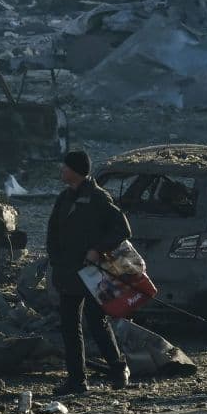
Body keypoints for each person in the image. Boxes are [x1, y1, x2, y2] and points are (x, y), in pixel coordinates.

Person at [46, 150, 131, 394]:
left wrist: (97, 249)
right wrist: (56, 260)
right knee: (70, 327)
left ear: (75, 170)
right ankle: (77, 380)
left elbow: (122, 230)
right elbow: (52, 231)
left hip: (94, 273)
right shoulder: (64, 198)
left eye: (65, 167)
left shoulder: (98, 198)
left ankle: (118, 368)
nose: (61, 171)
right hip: (67, 273)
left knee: (96, 322)